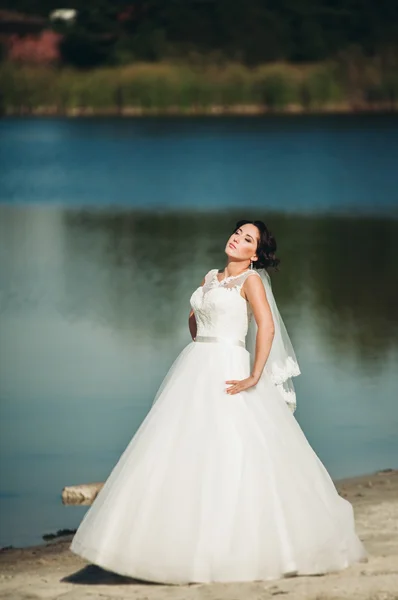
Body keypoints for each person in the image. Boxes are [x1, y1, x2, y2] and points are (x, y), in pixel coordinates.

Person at [69, 219, 368, 584]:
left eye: (247, 239)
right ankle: (169, 543)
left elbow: (267, 326)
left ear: (255, 253)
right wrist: (199, 331)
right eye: (237, 233)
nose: (237, 239)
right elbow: (196, 324)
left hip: (229, 365)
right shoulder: (209, 277)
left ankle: (235, 545)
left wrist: (256, 374)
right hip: (196, 363)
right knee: (180, 446)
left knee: (233, 445)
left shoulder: (251, 281)